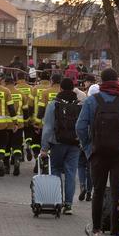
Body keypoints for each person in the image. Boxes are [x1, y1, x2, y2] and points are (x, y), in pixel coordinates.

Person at [76, 68, 119, 236]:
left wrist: (89, 147)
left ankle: (96, 230)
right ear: (118, 81)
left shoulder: (91, 101)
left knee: (97, 191)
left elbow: (80, 127)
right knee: (117, 193)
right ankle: (114, 235)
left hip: (98, 153)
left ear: (101, 82)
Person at [41, 78, 82, 215]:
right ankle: (69, 205)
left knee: (56, 170)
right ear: (73, 88)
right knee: (71, 173)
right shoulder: (80, 104)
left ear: (60, 89)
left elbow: (47, 128)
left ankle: (57, 200)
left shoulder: (54, 104)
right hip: (75, 144)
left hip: (57, 143)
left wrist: (44, 148)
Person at [3, 75, 30, 176]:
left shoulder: (4, 93)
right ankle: (17, 160)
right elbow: (26, 110)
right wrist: (26, 121)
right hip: (19, 124)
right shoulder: (21, 94)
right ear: (14, 83)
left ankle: (6, 166)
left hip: (5, 124)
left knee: (6, 146)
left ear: (5, 83)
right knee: (17, 145)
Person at [30, 71, 51, 170]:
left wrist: (30, 118)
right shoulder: (54, 90)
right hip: (51, 122)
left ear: (40, 78)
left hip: (37, 120)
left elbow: (30, 105)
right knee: (48, 143)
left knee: (35, 142)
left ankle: (37, 159)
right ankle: (46, 162)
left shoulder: (35, 89)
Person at [15, 72, 35, 161]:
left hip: (18, 115)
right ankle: (28, 145)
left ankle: (20, 154)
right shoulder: (31, 88)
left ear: (17, 78)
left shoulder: (15, 89)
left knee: (18, 136)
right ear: (25, 78)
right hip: (29, 115)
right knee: (28, 132)